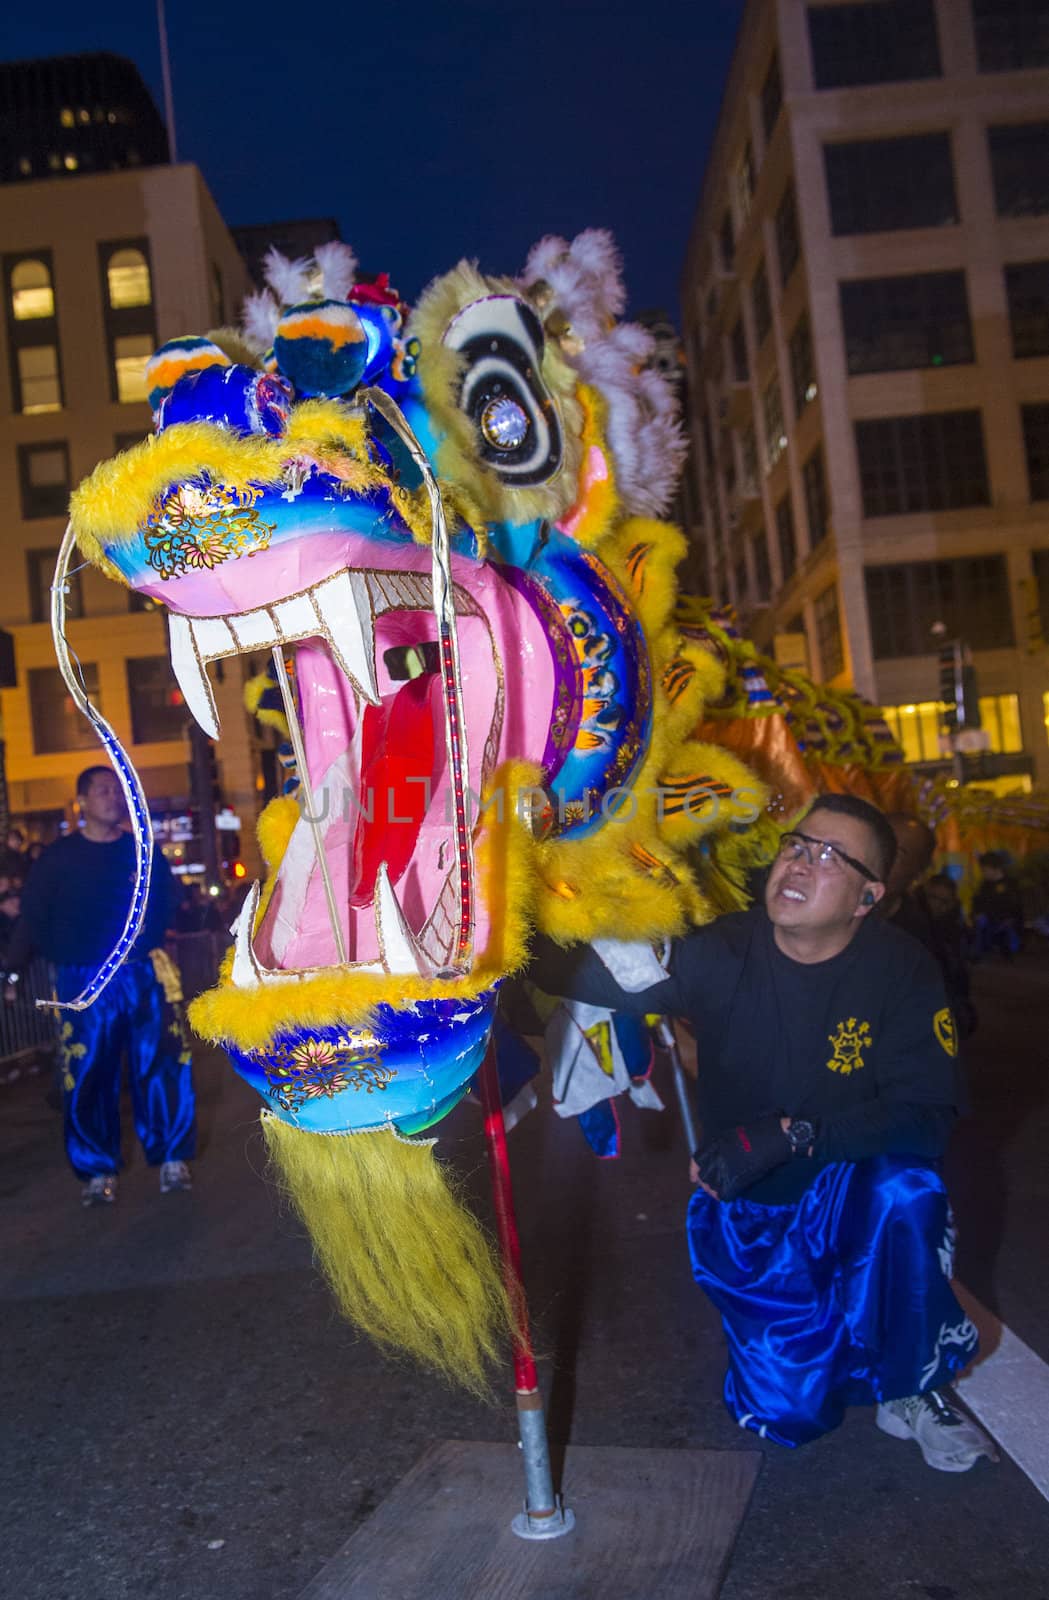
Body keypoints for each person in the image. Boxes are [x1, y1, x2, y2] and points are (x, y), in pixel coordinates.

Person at [527, 793, 996, 1472]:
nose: (801, 864)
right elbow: (581, 971)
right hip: (754, 1212)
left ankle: (913, 1383)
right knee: (788, 1415)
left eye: (830, 858)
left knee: (905, 1188)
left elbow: (926, 1115)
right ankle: (819, 1338)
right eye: (797, 845)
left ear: (866, 898)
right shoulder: (720, 950)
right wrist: (498, 908)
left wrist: (790, 1135)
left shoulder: (899, 970)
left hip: (850, 1194)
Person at [4, 766, 196, 1206]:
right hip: (82, 982)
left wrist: (148, 936)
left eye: (118, 790)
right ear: (82, 802)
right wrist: (15, 970)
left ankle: (171, 1158)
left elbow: (169, 899)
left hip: (140, 975)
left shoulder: (142, 852)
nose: (113, 797)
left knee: (161, 1064)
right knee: (88, 1072)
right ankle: (97, 1168)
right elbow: (33, 917)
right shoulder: (57, 858)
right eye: (103, 791)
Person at [881, 814, 976, 1037]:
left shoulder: (923, 942)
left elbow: (958, 1017)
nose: (878, 857)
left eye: (897, 853)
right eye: (875, 842)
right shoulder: (824, 912)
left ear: (918, 874)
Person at [971, 851, 1024, 960]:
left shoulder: (1010, 884)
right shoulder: (985, 885)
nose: (984, 873)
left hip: (1007, 922)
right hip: (991, 921)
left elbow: (1016, 906)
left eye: (985, 870)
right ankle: (978, 951)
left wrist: (1010, 919)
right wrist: (977, 914)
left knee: (1009, 938)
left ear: (995, 868)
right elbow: (978, 902)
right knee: (981, 922)